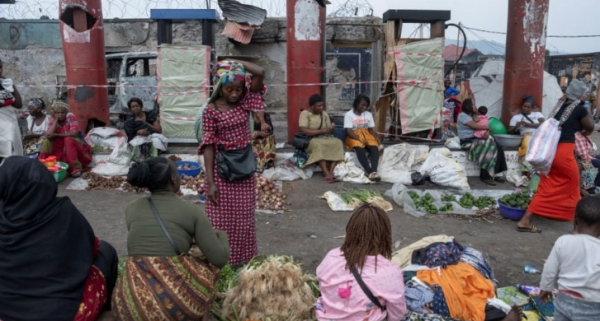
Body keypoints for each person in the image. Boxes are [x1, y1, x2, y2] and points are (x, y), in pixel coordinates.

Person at [0, 156, 118, 321]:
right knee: (107, 251)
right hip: (62, 313)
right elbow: (93, 249)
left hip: (6, 311)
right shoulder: (64, 212)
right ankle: (109, 310)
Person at [112, 157, 229, 321]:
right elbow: (220, 259)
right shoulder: (191, 211)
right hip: (175, 308)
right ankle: (203, 314)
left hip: (130, 306)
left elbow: (152, 239)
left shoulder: (131, 209)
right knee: (208, 265)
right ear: (173, 178)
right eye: (177, 173)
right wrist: (222, 235)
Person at [199, 59, 269, 267]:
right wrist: (210, 182)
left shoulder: (245, 102)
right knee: (219, 220)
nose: (234, 93)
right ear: (220, 87)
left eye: (238, 89)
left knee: (244, 220)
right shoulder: (211, 111)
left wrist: (234, 62)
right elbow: (209, 147)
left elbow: (260, 71)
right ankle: (221, 261)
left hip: (244, 169)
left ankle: (243, 262)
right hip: (222, 171)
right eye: (229, 88)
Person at [516, 80, 595, 233]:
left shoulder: (559, 107)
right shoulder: (579, 110)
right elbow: (590, 127)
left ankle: (525, 220)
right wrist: (585, 112)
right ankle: (576, 229)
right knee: (573, 188)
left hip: (550, 154)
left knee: (546, 187)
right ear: (580, 95)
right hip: (564, 152)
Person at [315, 204, 407, 321]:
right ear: (385, 235)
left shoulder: (332, 257)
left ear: (350, 230)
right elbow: (397, 313)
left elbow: (321, 282)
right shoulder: (390, 272)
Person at [539, 196, 600, 320]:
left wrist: (546, 288)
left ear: (575, 220)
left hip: (564, 300)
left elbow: (549, 269)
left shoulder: (563, 241)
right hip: (594, 307)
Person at [457, 98, 508, 186]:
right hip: (467, 141)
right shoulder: (462, 115)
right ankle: (484, 176)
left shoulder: (474, 116)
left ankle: (494, 174)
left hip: (476, 139)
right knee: (488, 146)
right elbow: (474, 126)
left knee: (498, 146)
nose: (475, 106)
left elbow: (484, 125)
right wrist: (487, 128)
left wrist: (487, 131)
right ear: (468, 106)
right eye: (473, 104)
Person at [299, 94, 345, 183]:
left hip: (324, 137)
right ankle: (326, 172)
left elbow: (328, 130)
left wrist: (332, 128)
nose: (321, 107)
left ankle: (331, 171)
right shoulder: (305, 114)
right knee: (318, 145)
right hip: (310, 139)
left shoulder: (324, 114)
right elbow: (304, 130)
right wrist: (321, 131)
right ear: (312, 106)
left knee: (338, 142)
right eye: (318, 106)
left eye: (322, 105)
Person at [39, 101, 92, 177]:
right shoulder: (52, 119)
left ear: (66, 112)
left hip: (75, 143)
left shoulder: (70, 116)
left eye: (62, 112)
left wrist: (57, 134)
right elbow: (49, 135)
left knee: (68, 139)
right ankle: (42, 165)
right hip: (60, 144)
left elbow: (74, 134)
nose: (60, 114)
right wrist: (56, 120)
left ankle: (75, 167)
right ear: (54, 113)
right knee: (47, 141)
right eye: (57, 113)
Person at [344, 94, 381, 181]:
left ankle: (374, 172)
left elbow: (371, 130)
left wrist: (376, 137)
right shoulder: (349, 115)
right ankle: (368, 171)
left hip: (366, 133)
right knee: (359, 148)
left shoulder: (368, 114)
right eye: (362, 105)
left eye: (366, 106)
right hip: (354, 135)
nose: (364, 107)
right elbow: (349, 131)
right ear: (356, 104)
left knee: (374, 148)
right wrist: (360, 139)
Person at [0, 58, 24, 158]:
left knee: (13, 150)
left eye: (0, 67)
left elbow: (18, 104)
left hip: (9, 121)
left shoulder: (6, 83)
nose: (0, 70)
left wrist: (11, 87)